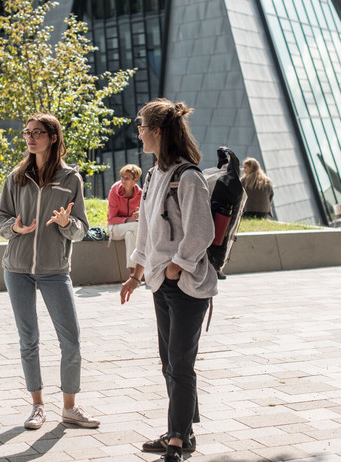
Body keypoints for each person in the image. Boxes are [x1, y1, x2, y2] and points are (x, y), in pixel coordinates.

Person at [119, 99, 218, 462]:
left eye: (142, 127)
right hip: (160, 284)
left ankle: (176, 439)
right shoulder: (152, 174)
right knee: (169, 361)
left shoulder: (187, 176)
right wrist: (136, 275)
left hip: (187, 286)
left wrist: (177, 265)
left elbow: (201, 232)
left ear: (157, 131)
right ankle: (183, 431)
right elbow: (146, 231)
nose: (139, 133)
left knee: (179, 361)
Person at [0, 112, 100, 431]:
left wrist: (67, 224)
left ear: (53, 137)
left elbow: (82, 229)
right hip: (18, 269)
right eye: (26, 132)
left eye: (37, 132)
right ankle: (37, 406)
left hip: (55, 270)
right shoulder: (16, 177)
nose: (30, 137)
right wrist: (14, 227)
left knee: (71, 340)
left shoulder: (71, 180)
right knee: (29, 340)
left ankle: (69, 407)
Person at [107, 164, 142, 273]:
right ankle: (142, 269)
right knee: (136, 227)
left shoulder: (140, 194)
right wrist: (128, 220)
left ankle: (132, 272)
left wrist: (140, 215)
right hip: (114, 229)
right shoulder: (114, 191)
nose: (123, 180)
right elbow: (111, 218)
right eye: (122, 177)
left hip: (130, 229)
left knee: (130, 235)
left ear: (135, 180)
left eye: (127, 178)